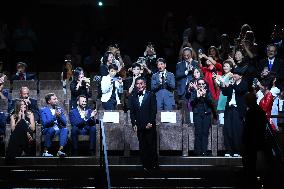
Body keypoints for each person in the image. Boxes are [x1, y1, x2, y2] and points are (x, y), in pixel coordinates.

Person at [128, 76, 158, 172]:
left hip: (149, 125)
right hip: (139, 125)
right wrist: (134, 124)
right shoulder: (133, 97)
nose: (139, 85)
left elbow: (154, 110)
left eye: (141, 83)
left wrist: (150, 122)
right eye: (137, 83)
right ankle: (145, 165)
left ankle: (153, 165)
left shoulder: (151, 95)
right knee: (142, 146)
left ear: (145, 84)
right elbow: (132, 112)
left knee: (151, 145)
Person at [221, 67, 248, 157]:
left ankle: (238, 150)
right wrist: (225, 84)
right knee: (228, 129)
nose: (234, 75)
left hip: (237, 110)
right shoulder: (232, 83)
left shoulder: (244, 83)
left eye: (236, 74)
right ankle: (229, 150)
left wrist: (231, 84)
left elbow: (240, 90)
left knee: (237, 130)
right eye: (234, 73)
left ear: (240, 76)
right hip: (229, 109)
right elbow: (225, 92)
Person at [242, 92, 267, 189]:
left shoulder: (252, 112)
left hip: (252, 140)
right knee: (251, 161)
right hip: (255, 139)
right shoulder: (258, 111)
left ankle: (251, 180)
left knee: (250, 162)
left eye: (247, 100)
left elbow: (249, 128)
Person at [190, 78, 216, 156]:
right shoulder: (194, 92)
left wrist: (205, 96)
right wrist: (197, 97)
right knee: (198, 133)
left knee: (205, 133)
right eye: (199, 84)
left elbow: (211, 103)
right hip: (197, 114)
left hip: (206, 114)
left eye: (202, 84)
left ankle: (204, 151)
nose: (201, 85)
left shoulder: (208, 92)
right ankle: (198, 151)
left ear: (205, 85)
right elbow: (191, 104)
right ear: (197, 85)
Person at [40, 93, 68, 157]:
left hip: (58, 129)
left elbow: (64, 123)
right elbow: (45, 123)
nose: (56, 100)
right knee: (51, 130)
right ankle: (45, 151)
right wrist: (55, 116)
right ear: (49, 101)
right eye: (54, 99)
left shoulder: (59, 109)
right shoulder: (43, 110)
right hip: (47, 129)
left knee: (65, 129)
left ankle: (60, 150)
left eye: (56, 99)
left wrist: (59, 116)